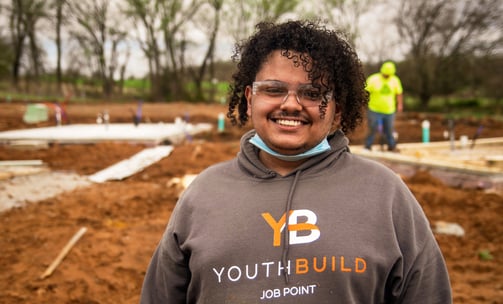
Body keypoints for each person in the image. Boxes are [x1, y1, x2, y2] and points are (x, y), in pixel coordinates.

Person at [140, 20, 451, 303]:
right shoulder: (203, 194)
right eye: (274, 90)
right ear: (250, 100)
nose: (290, 104)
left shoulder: (386, 195)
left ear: (337, 110)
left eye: (313, 93)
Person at [364, 61, 403, 152]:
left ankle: (391, 146)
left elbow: (399, 93)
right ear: (382, 72)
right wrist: (363, 103)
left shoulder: (395, 80)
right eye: (386, 74)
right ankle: (368, 146)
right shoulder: (373, 79)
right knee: (372, 128)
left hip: (389, 110)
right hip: (374, 109)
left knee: (389, 129)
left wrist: (400, 104)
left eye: (389, 75)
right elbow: (366, 92)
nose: (387, 76)